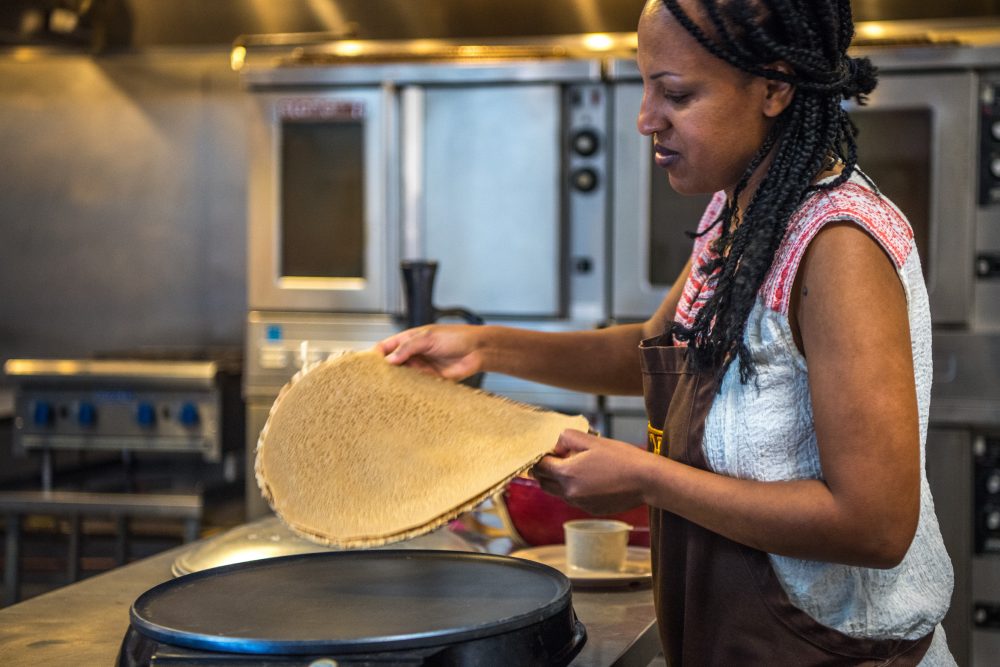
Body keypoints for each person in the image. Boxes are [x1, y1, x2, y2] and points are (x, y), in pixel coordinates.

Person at [378, 0, 956, 663]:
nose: (646, 118)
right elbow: (655, 350)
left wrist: (649, 478)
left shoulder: (839, 247)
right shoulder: (739, 208)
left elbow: (876, 524)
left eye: (676, 93)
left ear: (773, 87)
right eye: (645, 84)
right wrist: (483, 346)